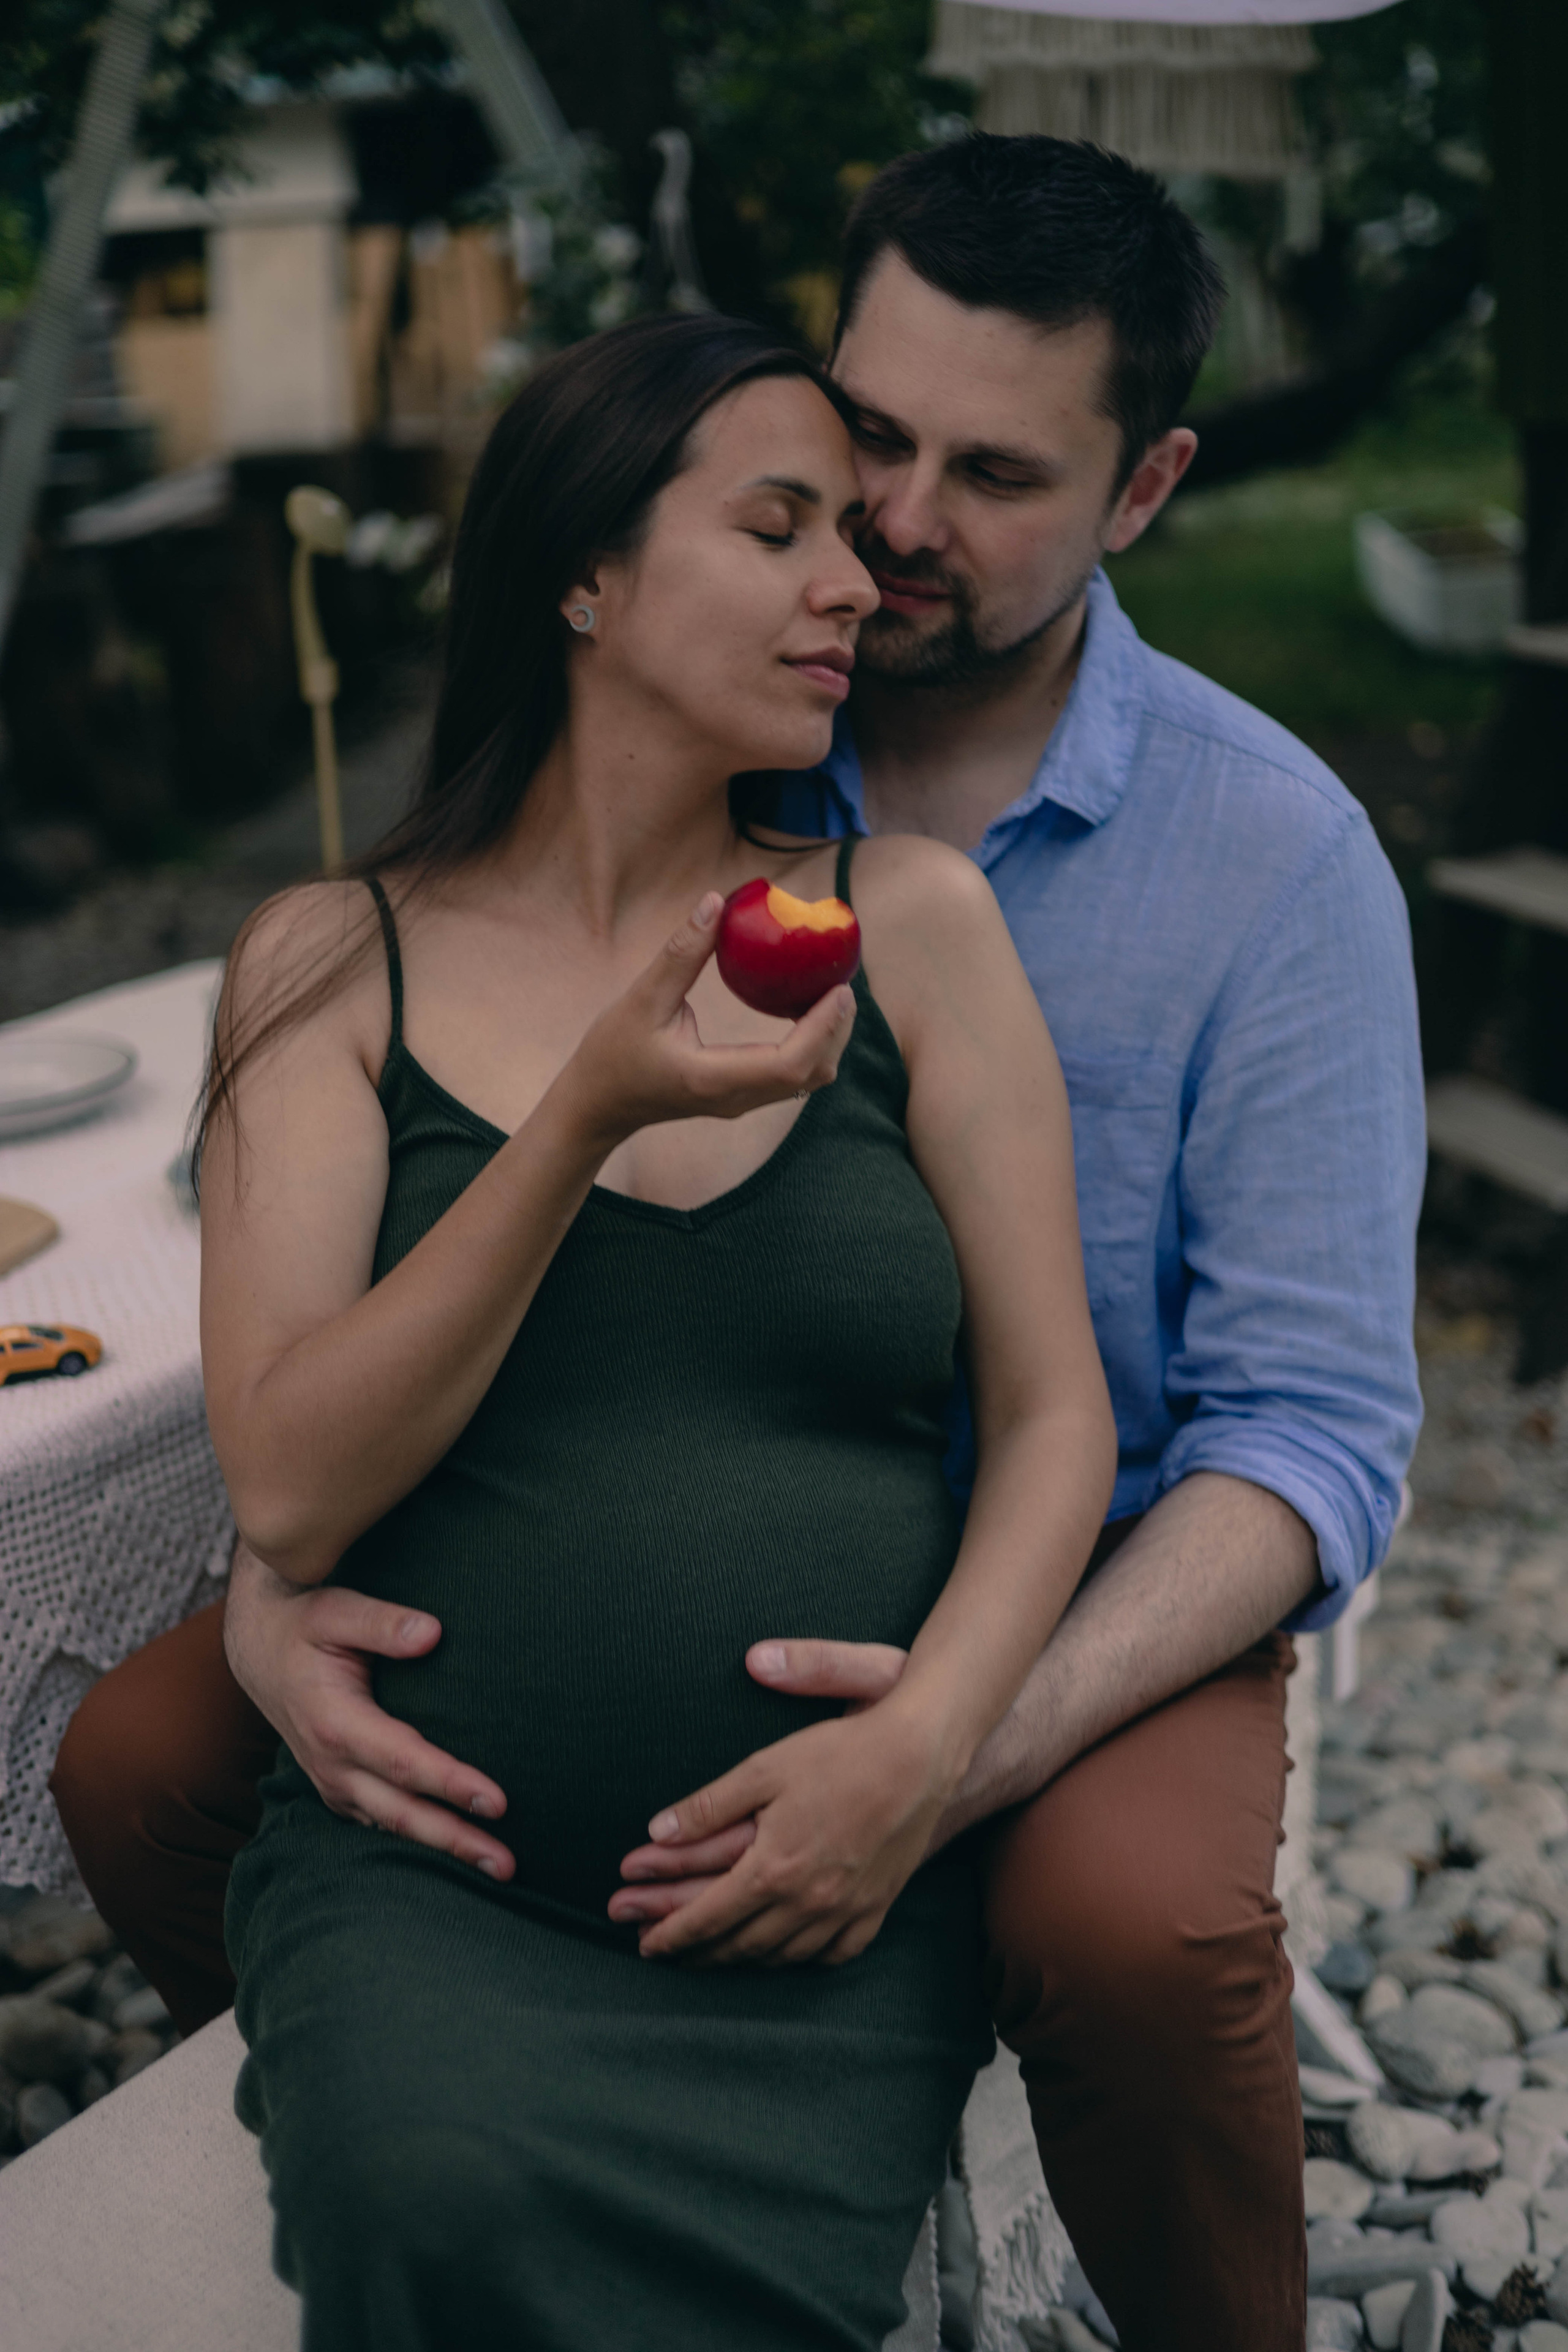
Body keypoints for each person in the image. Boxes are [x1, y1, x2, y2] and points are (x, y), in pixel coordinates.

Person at [53, 136, 1425, 2352]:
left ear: (1145, 488)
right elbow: (339, 1354)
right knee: (139, 1750)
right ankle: (400, 2067)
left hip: (1077, 1578)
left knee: (1131, 1925)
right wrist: (273, 1574)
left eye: (990, 474)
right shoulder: (711, 742)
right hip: (602, 1531)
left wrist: (956, 1745)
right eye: (854, 443)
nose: (885, 533)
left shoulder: (1264, 863)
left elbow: (1309, 1430)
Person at [138, 311, 1116, 2350]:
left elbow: (1051, 1421)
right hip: (437, 1902)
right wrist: (580, 1114)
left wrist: (924, 1755)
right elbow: (293, 1485)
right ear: (581, 575)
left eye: (849, 535)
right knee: (431, 2200)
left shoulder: (910, 919)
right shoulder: (333, 959)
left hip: (828, 1897)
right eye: (780, 529)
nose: (857, 582)